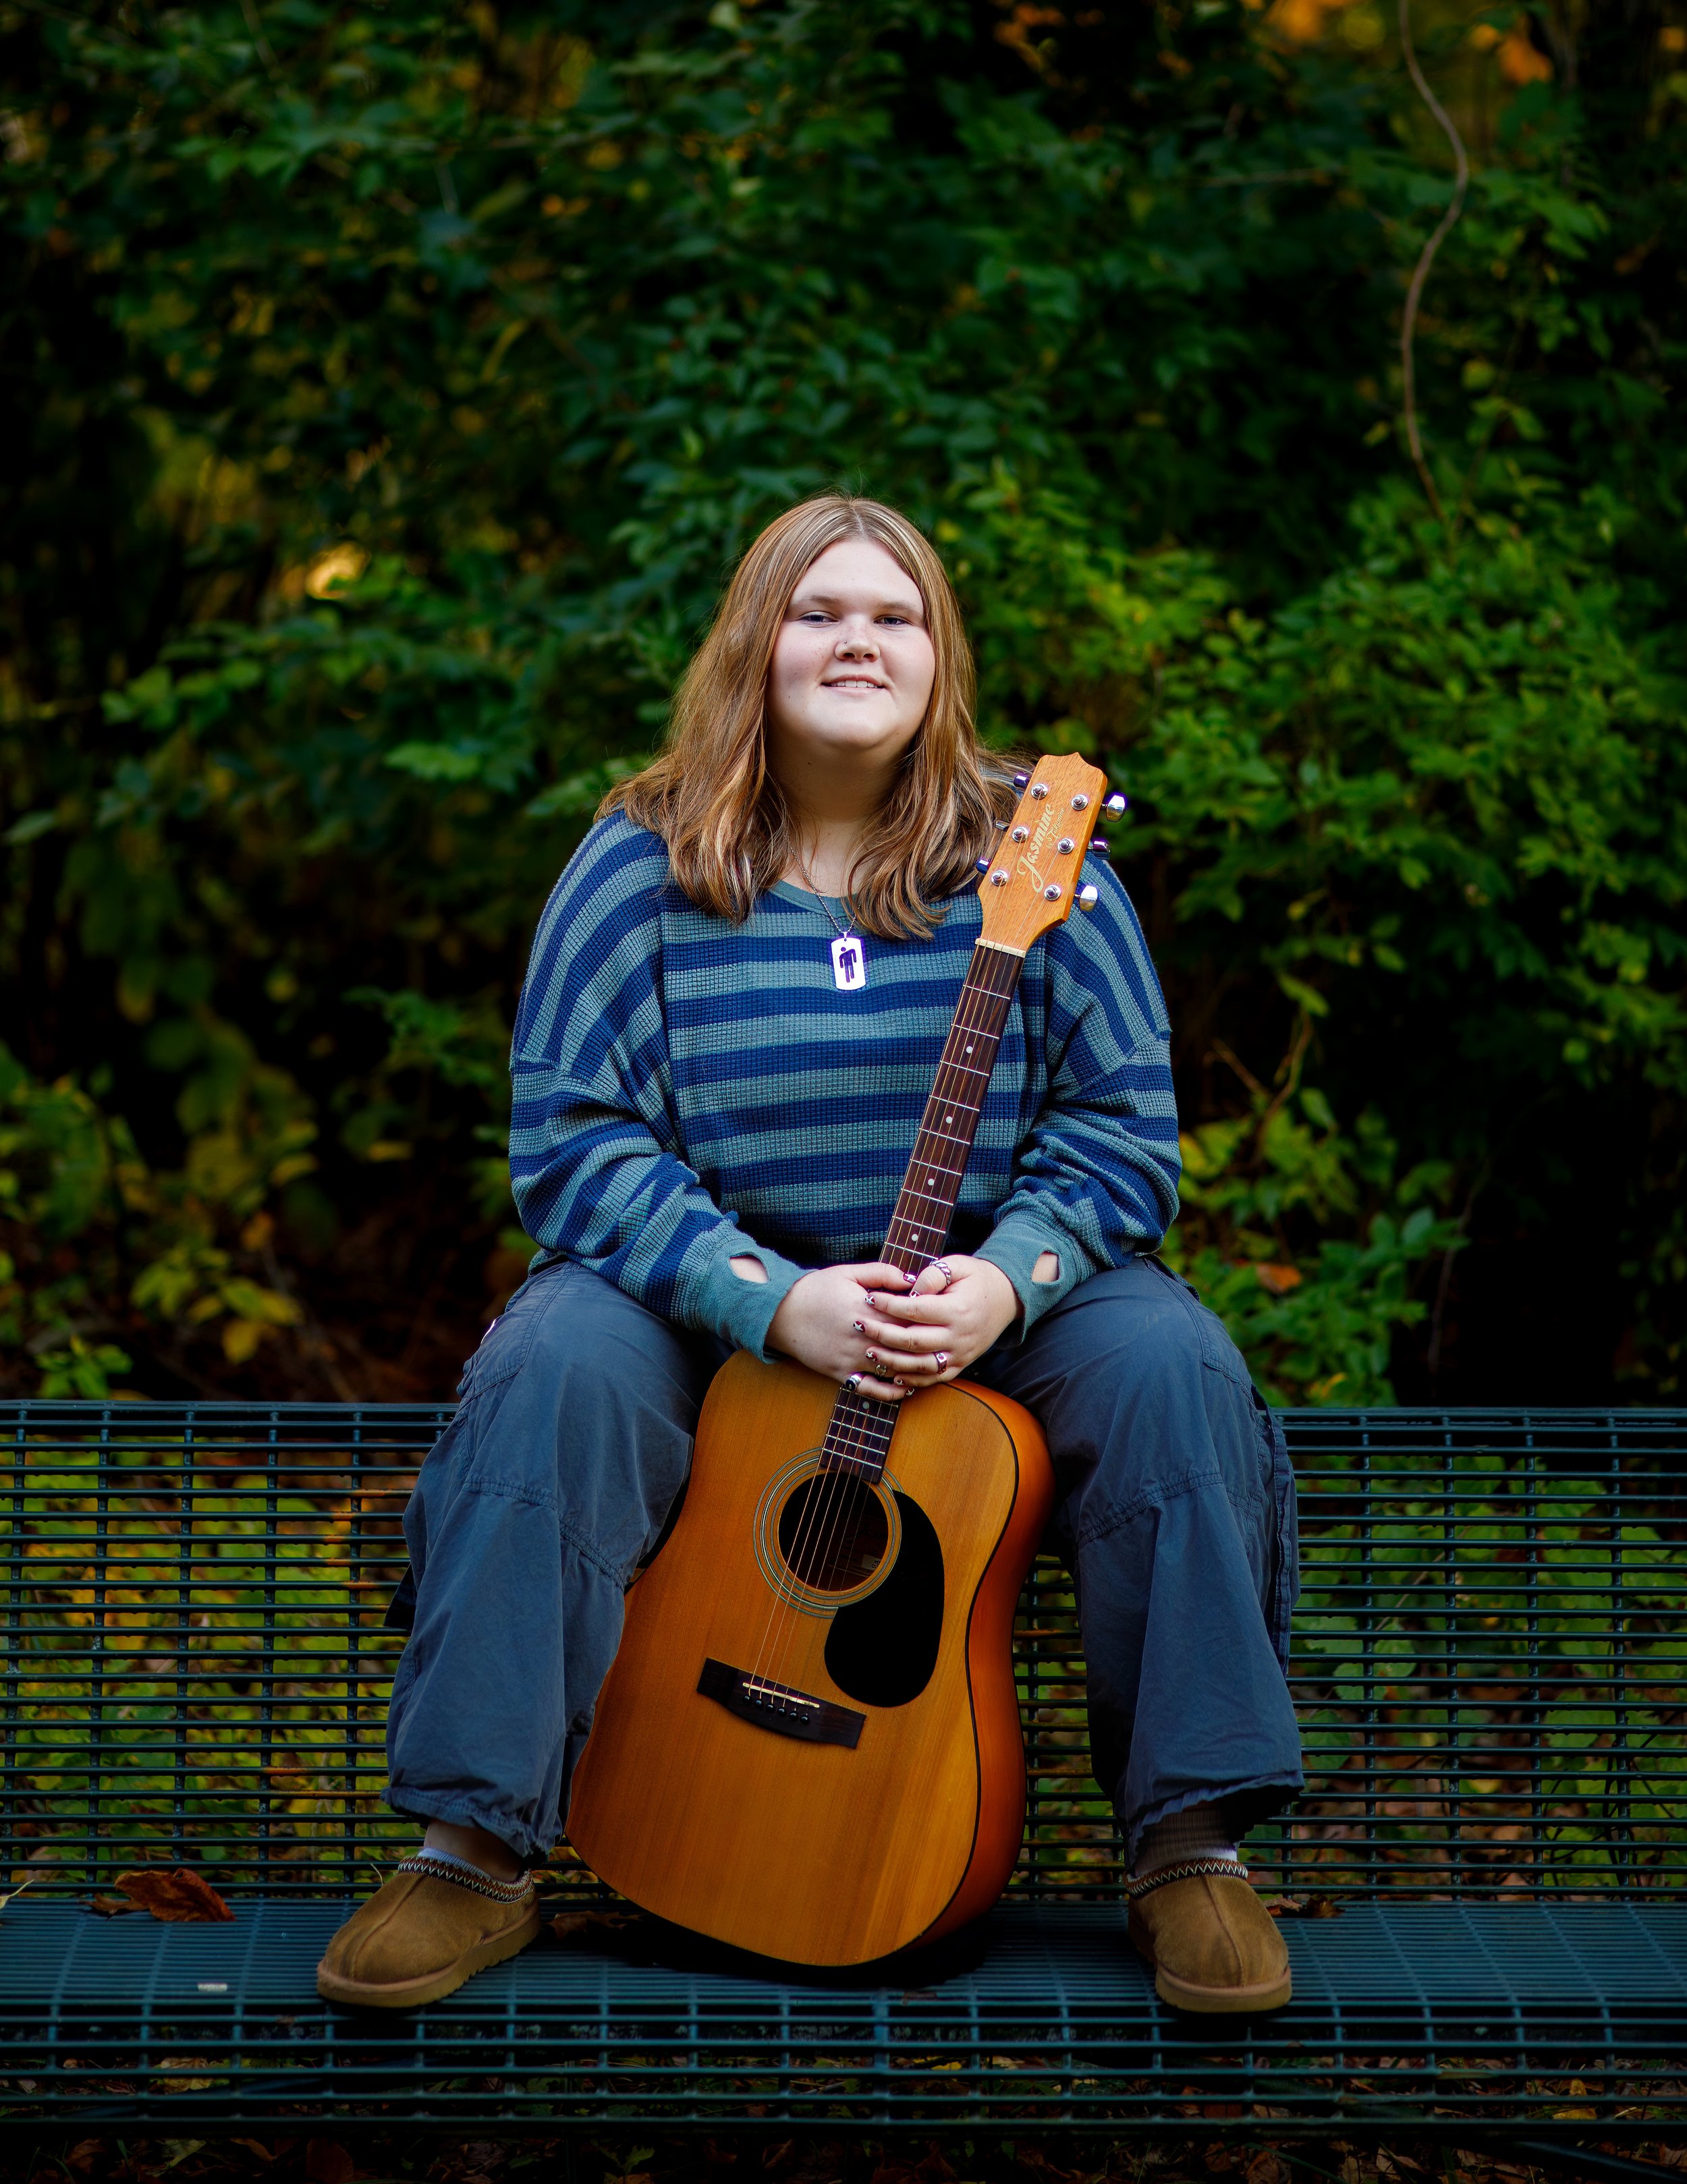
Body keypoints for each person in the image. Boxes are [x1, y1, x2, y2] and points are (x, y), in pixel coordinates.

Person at [316, 495, 1304, 2015]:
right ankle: (473, 1848)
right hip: (706, 1297)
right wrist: (765, 1299)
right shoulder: (638, 861)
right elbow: (575, 1140)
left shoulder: (1035, 854)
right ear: (751, 641)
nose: (857, 638)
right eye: (818, 609)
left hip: (975, 1288)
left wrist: (1006, 1280)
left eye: (894, 614)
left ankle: (1187, 1848)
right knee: (547, 1369)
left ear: (938, 654)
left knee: (1172, 1364)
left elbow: (1120, 1128)